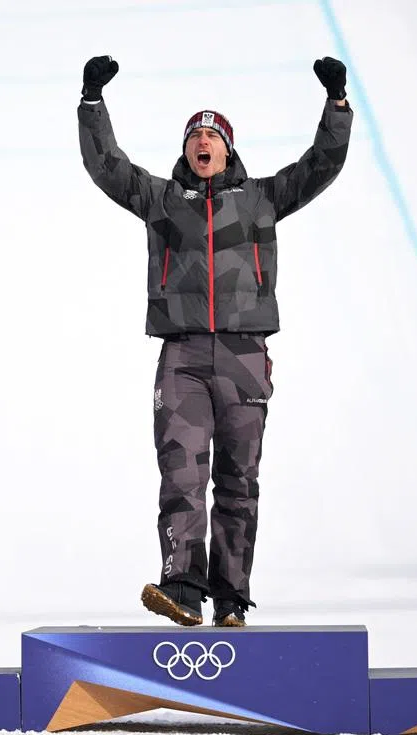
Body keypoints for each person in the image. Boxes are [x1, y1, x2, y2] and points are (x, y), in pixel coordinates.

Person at [77, 55, 352, 627]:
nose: (202, 142)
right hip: (181, 356)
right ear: (186, 152)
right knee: (181, 473)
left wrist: (337, 106)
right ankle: (182, 587)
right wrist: (92, 103)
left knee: (237, 478)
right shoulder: (161, 201)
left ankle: (231, 597)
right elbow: (108, 167)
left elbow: (320, 166)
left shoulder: (260, 199)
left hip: (243, 355)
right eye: (194, 136)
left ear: (228, 150)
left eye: (212, 135)